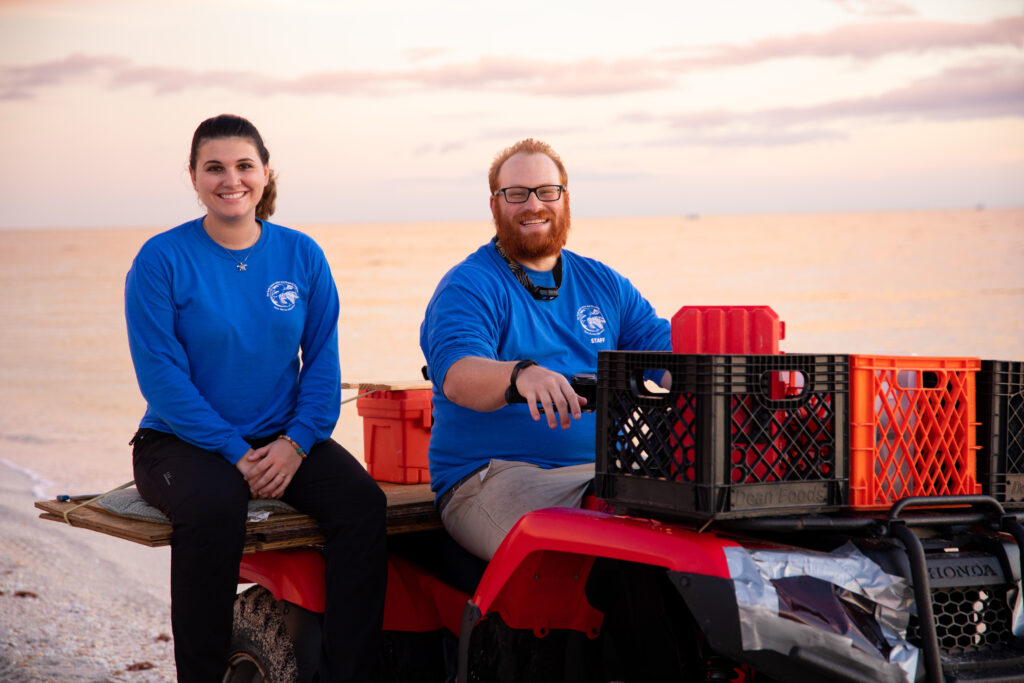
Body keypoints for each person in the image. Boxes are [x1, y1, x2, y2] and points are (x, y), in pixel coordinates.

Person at [124, 114, 386, 682]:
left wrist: (296, 441)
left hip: (283, 436)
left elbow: (321, 364)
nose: (230, 179)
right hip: (178, 440)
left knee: (364, 506)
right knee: (217, 510)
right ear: (193, 177)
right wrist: (235, 451)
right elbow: (162, 380)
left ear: (265, 174)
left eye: (244, 166)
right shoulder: (160, 259)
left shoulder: (302, 255)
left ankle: (350, 672)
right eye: (214, 167)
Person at [419, 138, 670, 561]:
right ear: (495, 205)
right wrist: (520, 375)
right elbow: (459, 375)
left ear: (565, 199)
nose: (533, 204)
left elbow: (667, 359)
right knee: (592, 552)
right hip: (494, 476)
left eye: (546, 191)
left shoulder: (604, 283)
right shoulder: (469, 286)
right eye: (516, 193)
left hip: (604, 476)